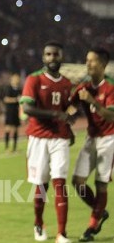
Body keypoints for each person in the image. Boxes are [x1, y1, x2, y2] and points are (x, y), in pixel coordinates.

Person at [19, 41, 74, 243]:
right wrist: (54, 114)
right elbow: (27, 109)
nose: (52, 58)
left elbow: (68, 110)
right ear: (43, 57)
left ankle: (62, 233)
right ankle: (38, 223)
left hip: (59, 138)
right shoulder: (33, 79)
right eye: (48, 54)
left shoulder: (67, 83)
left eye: (55, 54)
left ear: (61, 56)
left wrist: (69, 125)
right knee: (41, 185)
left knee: (60, 182)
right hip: (38, 138)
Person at [69, 47, 113, 242]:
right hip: (91, 137)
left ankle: (91, 227)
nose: (87, 64)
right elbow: (69, 108)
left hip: (109, 138)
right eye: (87, 60)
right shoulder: (83, 87)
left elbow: (111, 116)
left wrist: (92, 101)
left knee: (100, 183)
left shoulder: (111, 87)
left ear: (103, 64)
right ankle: (100, 211)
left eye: (92, 61)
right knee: (77, 182)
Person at [2, 73, 22, 153]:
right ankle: (7, 147)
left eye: (18, 78)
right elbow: (6, 99)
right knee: (8, 128)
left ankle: (15, 147)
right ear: (12, 79)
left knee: (16, 129)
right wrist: (16, 100)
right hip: (9, 111)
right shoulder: (8, 88)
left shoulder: (19, 89)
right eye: (15, 78)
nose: (17, 80)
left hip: (16, 111)